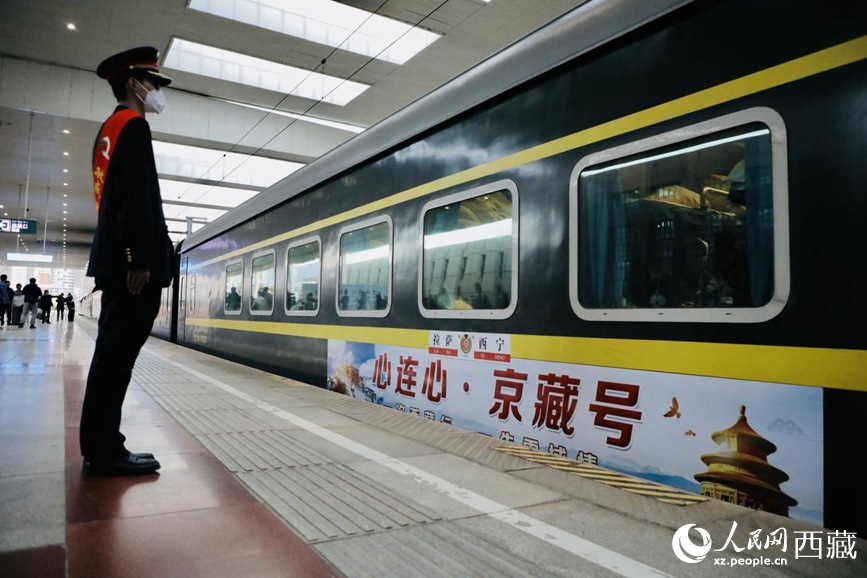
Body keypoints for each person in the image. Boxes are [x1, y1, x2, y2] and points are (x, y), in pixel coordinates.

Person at [79, 46, 175, 477]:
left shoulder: (109, 131)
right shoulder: (133, 126)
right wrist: (139, 260)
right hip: (131, 269)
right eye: (154, 83)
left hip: (115, 263)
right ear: (135, 84)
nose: (158, 91)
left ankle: (101, 446)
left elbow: (115, 198)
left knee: (110, 358)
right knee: (115, 361)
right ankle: (104, 451)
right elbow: (135, 199)